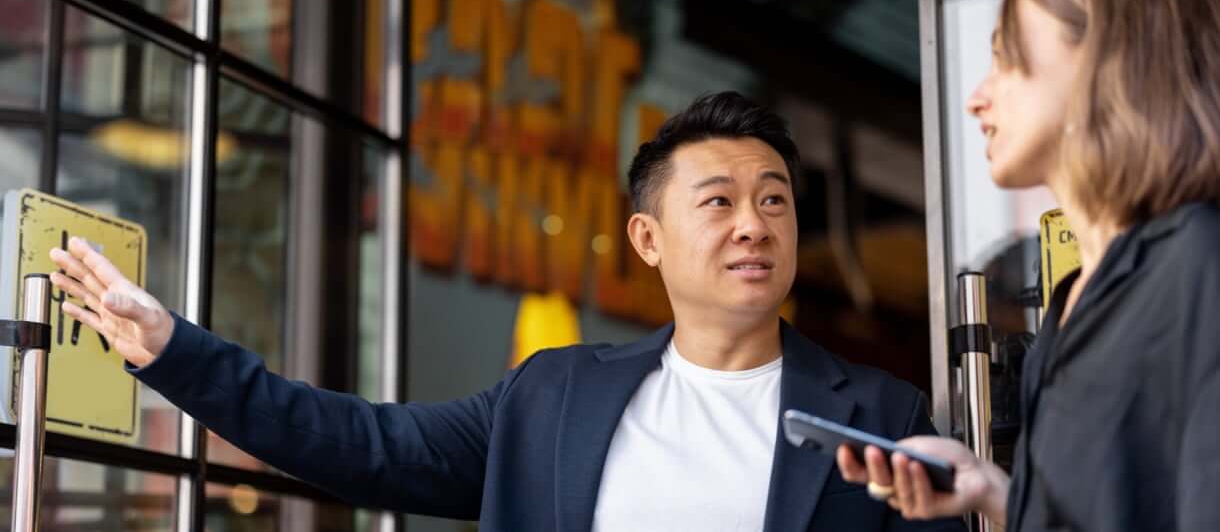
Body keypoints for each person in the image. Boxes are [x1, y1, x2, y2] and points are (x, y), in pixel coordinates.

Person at [50, 92, 964, 532]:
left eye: (774, 201)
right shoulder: (554, 395)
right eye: (718, 201)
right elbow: (364, 445)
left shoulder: (881, 415)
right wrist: (174, 347)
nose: (753, 225)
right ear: (648, 240)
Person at [837, 0, 1220, 531]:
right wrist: (995, 493)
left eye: (1006, 60)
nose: (976, 98)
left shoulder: (1200, 264)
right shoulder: (1069, 301)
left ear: (1105, 64)